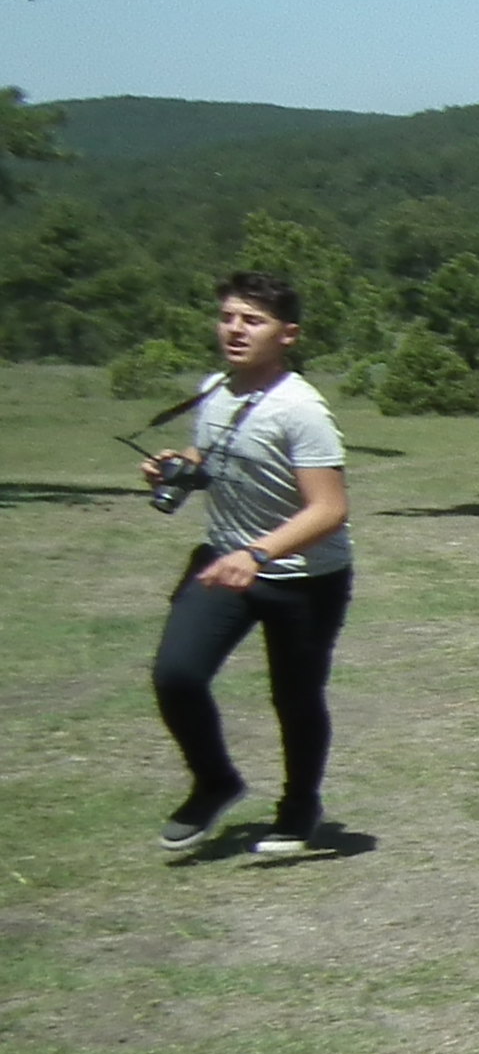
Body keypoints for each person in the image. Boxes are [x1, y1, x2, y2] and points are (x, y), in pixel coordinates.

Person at [148, 271, 353, 861]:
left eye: (252, 320)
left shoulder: (301, 410)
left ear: (287, 334)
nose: (235, 329)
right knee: (176, 675)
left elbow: (330, 509)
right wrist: (178, 466)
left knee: (295, 696)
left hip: (303, 579)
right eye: (229, 317)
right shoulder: (217, 387)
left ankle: (298, 809)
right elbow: (212, 453)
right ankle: (216, 781)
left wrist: (258, 553)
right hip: (223, 562)